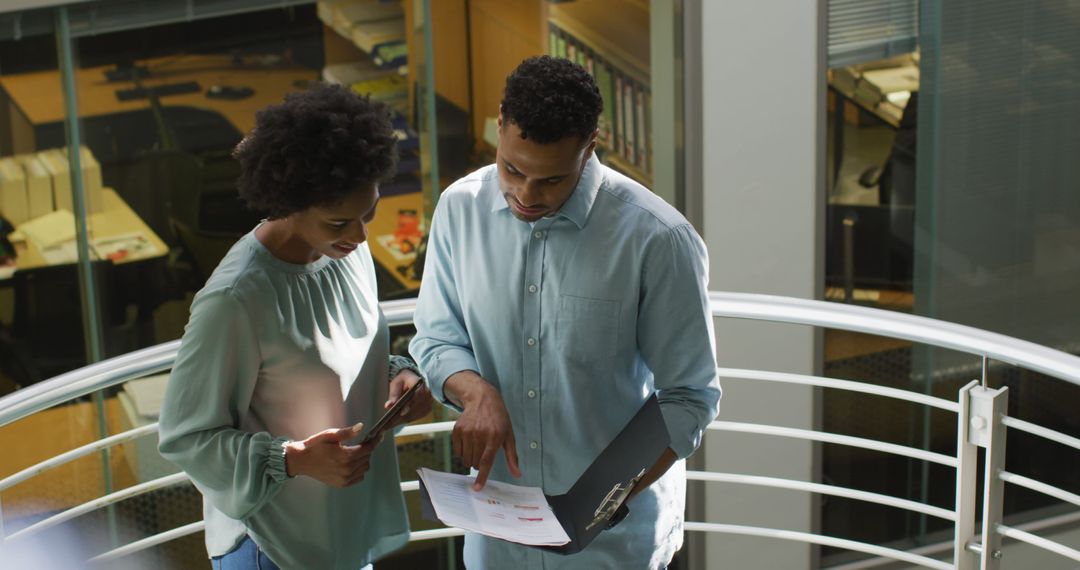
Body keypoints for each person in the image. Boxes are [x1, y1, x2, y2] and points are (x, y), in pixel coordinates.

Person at [410, 56, 721, 569]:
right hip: (496, 542)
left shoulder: (658, 240)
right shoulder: (457, 209)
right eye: (512, 168)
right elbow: (435, 337)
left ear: (590, 147)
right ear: (500, 127)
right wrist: (475, 391)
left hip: (612, 546)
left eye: (551, 180)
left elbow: (690, 397)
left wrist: (600, 508)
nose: (525, 195)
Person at [158, 82, 432, 570]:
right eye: (338, 222)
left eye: (367, 213)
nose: (359, 234)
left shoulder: (346, 250)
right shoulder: (235, 301)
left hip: (340, 535)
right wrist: (294, 459)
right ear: (288, 203)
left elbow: (334, 358)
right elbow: (185, 436)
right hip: (273, 548)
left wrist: (393, 376)